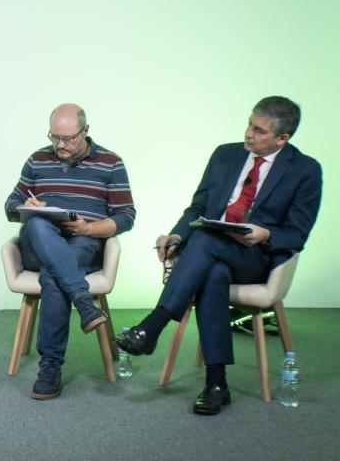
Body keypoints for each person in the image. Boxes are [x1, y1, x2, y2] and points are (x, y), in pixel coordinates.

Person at [116, 96, 321, 415]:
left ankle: (153, 325)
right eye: (249, 124)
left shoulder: (305, 170)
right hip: (213, 252)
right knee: (212, 271)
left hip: (256, 258)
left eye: (259, 130)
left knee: (205, 240)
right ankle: (216, 384)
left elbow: (298, 232)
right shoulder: (225, 155)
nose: (248, 134)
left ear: (283, 138)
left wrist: (266, 234)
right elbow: (197, 207)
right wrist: (178, 232)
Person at [5, 103, 135, 400]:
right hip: (38, 244)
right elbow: (10, 204)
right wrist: (25, 207)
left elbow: (126, 216)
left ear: (86, 131)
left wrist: (89, 229)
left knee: (55, 275)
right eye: (55, 137)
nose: (59, 145)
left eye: (68, 139)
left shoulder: (110, 163)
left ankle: (50, 366)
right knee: (37, 224)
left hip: (83, 241)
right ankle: (83, 300)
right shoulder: (37, 159)